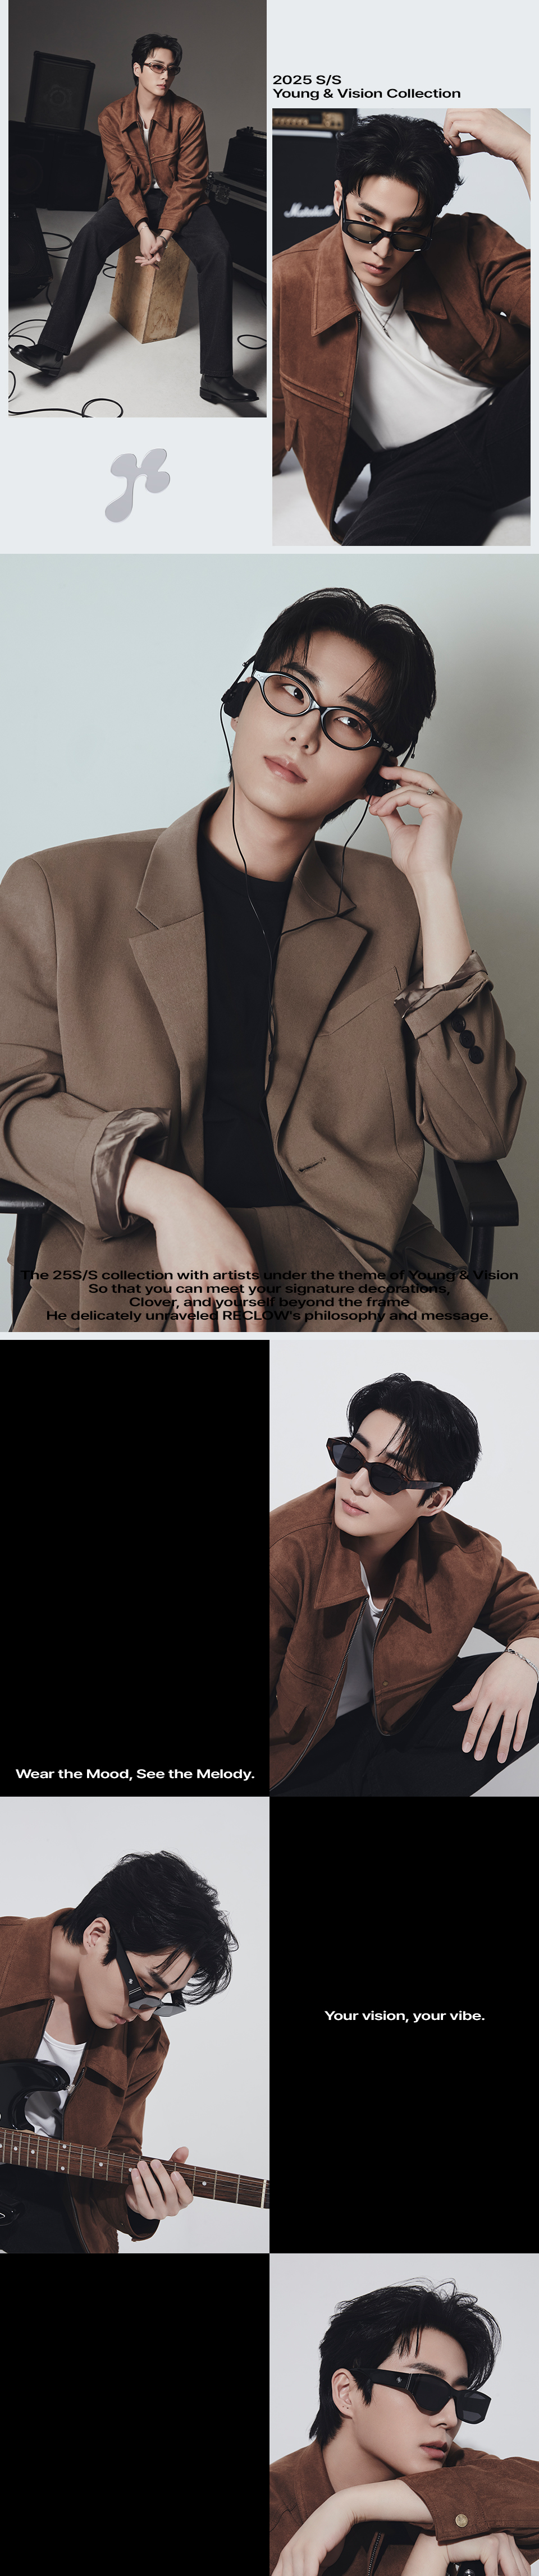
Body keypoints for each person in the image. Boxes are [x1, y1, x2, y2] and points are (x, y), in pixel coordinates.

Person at [0, 586, 525, 1337]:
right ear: (241, 699)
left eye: (350, 721)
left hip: (357, 1277)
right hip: (136, 1267)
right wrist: (159, 1192)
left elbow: (477, 1132)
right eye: (292, 690)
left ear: (382, 768)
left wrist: (434, 885)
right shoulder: (58, 891)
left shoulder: (395, 902)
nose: (305, 733)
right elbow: (7, 1101)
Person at [270, 1372, 539, 1797]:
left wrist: (525, 1659)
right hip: (299, 1760)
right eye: (351, 1457)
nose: (357, 1484)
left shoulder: (465, 1556)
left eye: (387, 1477)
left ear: (434, 1500)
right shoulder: (283, 1553)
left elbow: (532, 1614)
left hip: (393, 1728)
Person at [270, 2276, 539, 2576]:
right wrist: (439, 2546)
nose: (450, 2418)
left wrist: (352, 2505)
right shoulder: (276, 2516)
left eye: (463, 2400)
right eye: (427, 2389)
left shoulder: (448, 2473)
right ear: (347, 2393)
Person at [273, 108, 531, 542]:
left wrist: (527, 152)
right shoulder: (290, 279)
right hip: (412, 470)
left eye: (408, 231)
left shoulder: (470, 241)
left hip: (507, 423)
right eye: (367, 223)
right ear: (338, 198)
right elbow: (282, 397)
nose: (382, 251)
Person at [0, 1846, 237, 2253]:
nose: (146, 2013)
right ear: (97, 1935)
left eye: (165, 1999)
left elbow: (116, 2150)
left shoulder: (146, 2043)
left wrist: (136, 2203)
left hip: (60, 2204)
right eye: (145, 1986)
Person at [10, 30, 259, 413]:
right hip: (135, 199)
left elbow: (191, 182)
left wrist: (165, 235)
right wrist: (143, 228)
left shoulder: (190, 115)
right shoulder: (111, 116)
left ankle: (216, 377)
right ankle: (51, 350)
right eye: (157, 67)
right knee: (89, 236)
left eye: (172, 69)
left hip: (183, 200)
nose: (165, 76)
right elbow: (123, 181)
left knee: (218, 251)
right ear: (137, 69)